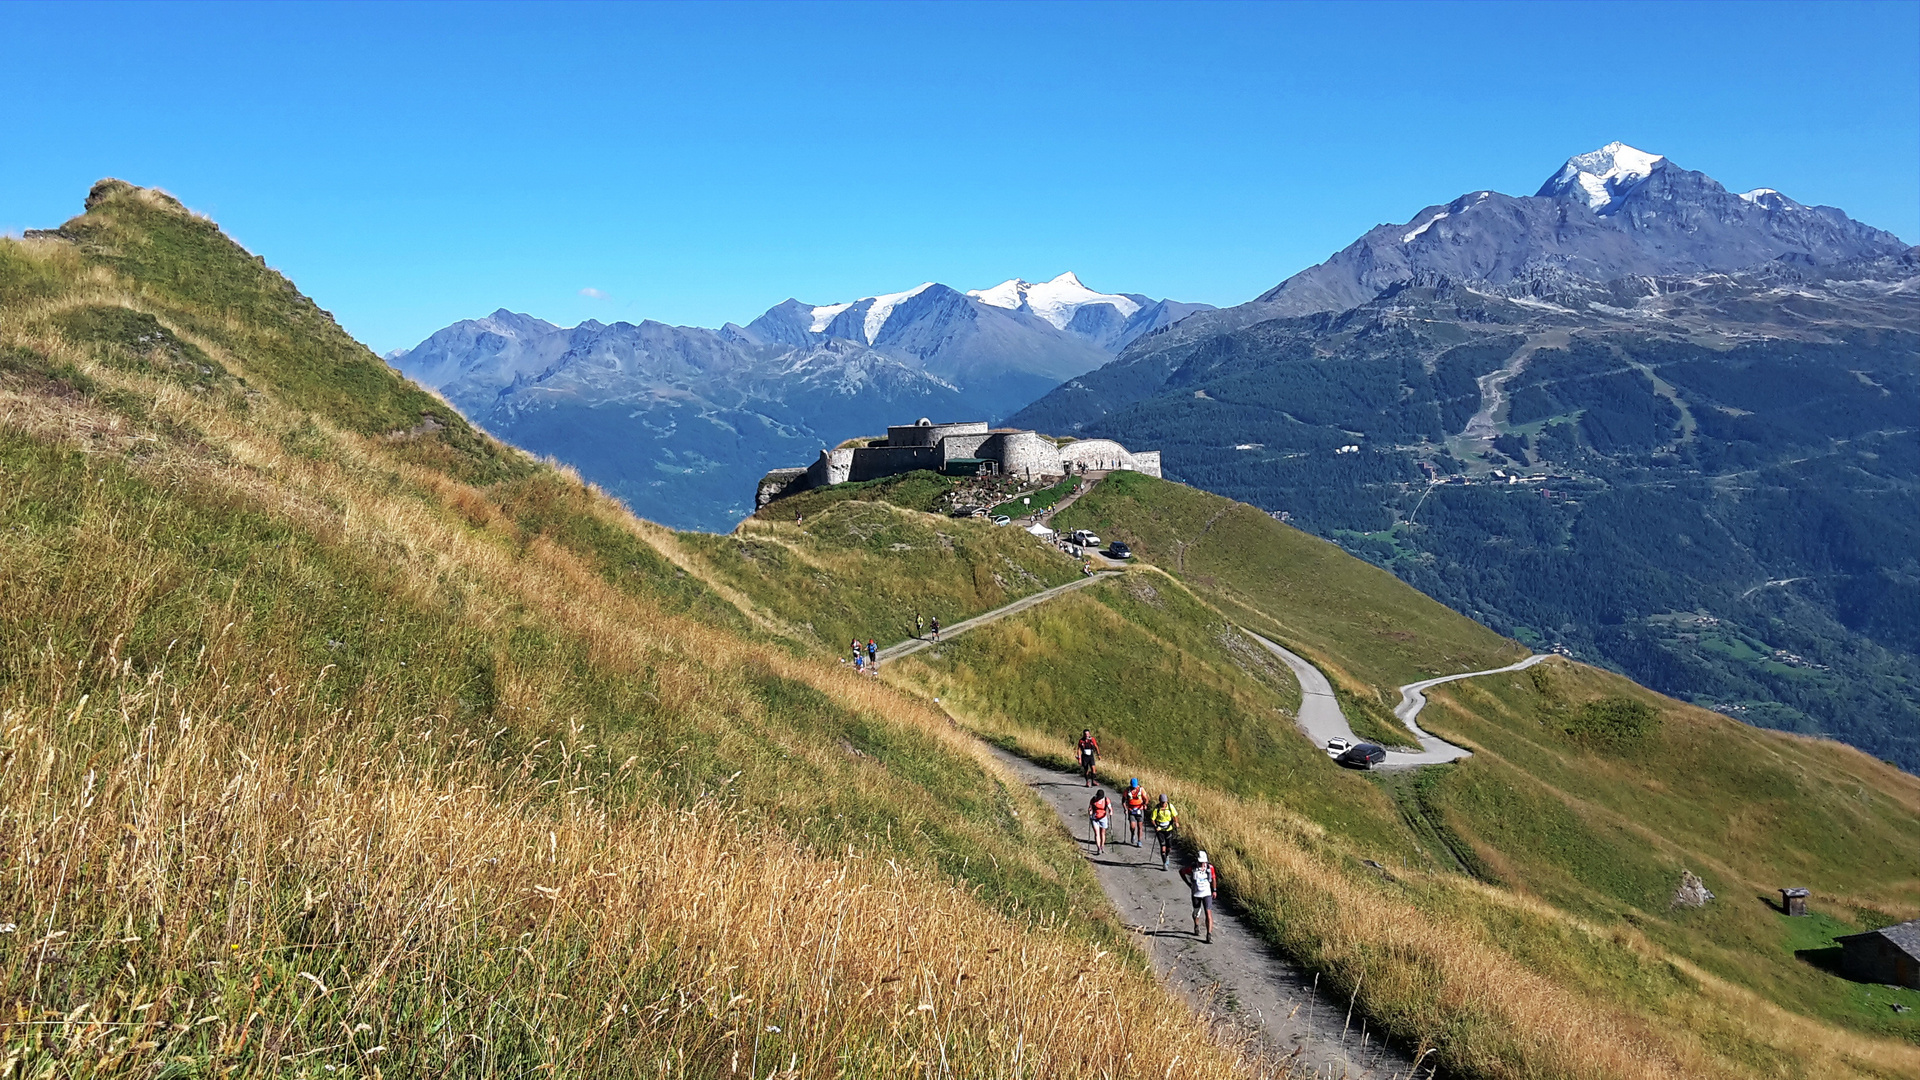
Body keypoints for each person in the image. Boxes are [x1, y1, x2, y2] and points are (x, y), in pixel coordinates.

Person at [1180, 851, 1218, 943]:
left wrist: (1214, 890)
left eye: (1203, 862)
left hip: (1207, 893)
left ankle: (1209, 934)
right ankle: (1196, 925)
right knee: (1196, 912)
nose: (1202, 864)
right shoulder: (1192, 868)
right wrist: (1188, 883)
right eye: (1200, 862)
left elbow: (1213, 878)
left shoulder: (1210, 868)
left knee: (1208, 913)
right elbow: (1181, 872)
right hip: (1196, 894)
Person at [1149, 793, 1179, 870]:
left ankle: (1167, 856)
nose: (1163, 804)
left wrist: (1176, 822)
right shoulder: (1156, 809)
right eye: (1162, 802)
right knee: (1163, 847)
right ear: (1159, 801)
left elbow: (1175, 815)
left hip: (1168, 829)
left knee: (1169, 848)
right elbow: (1152, 819)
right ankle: (1164, 863)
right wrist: (1155, 826)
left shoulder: (1170, 807)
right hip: (1160, 830)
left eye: (1165, 802)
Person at [1123, 779, 1148, 847]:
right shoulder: (1127, 790)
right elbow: (1123, 800)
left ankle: (1139, 841)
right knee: (1132, 826)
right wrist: (1125, 809)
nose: (1134, 788)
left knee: (1140, 826)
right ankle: (1133, 834)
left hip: (1139, 809)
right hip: (1131, 810)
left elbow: (1146, 799)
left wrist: (1145, 805)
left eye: (1135, 786)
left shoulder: (1141, 790)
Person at [1088, 789, 1112, 855]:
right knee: (1096, 833)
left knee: (1103, 833)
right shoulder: (1093, 799)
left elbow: (1110, 807)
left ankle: (1102, 846)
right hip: (1095, 818)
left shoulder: (1106, 800)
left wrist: (1110, 811)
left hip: (1103, 818)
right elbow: (1090, 807)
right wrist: (1090, 811)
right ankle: (1098, 848)